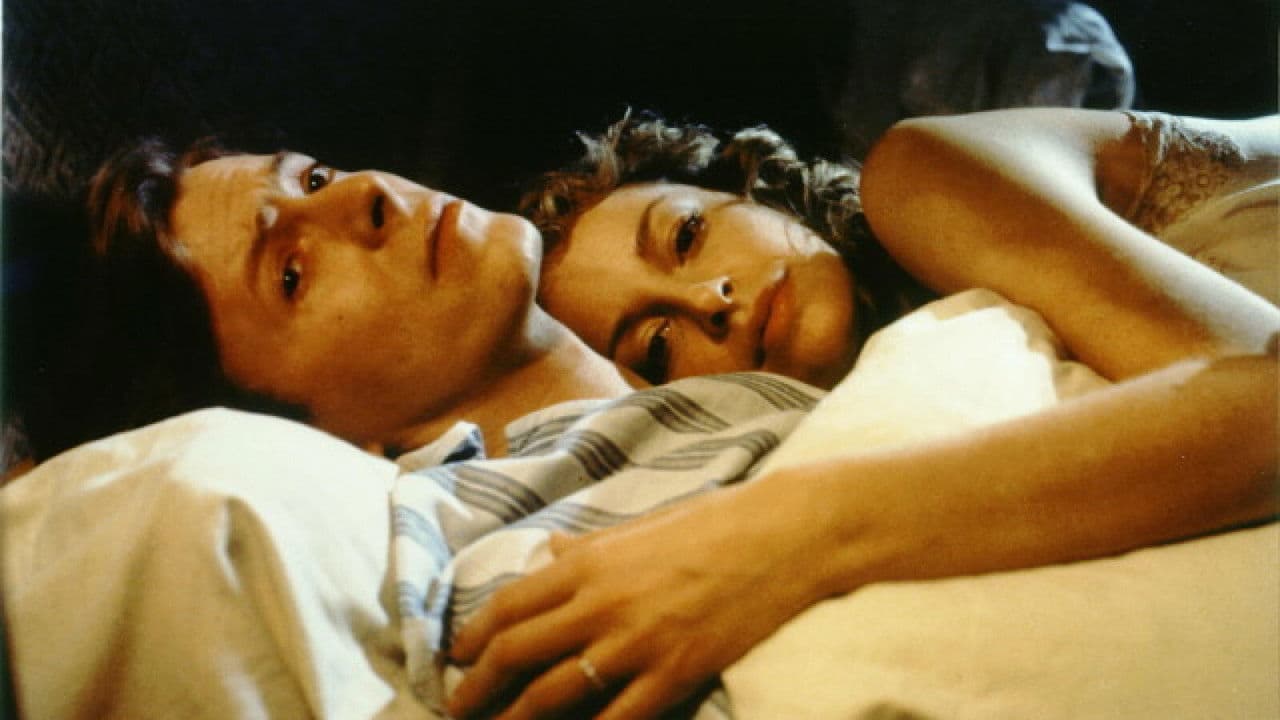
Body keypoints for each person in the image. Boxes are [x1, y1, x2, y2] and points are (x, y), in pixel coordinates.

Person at [440, 108, 1280, 719]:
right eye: (657, 344)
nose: (710, 299)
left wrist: (785, 533)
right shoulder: (922, 393)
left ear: (752, 190)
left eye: (687, 236)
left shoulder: (922, 170)